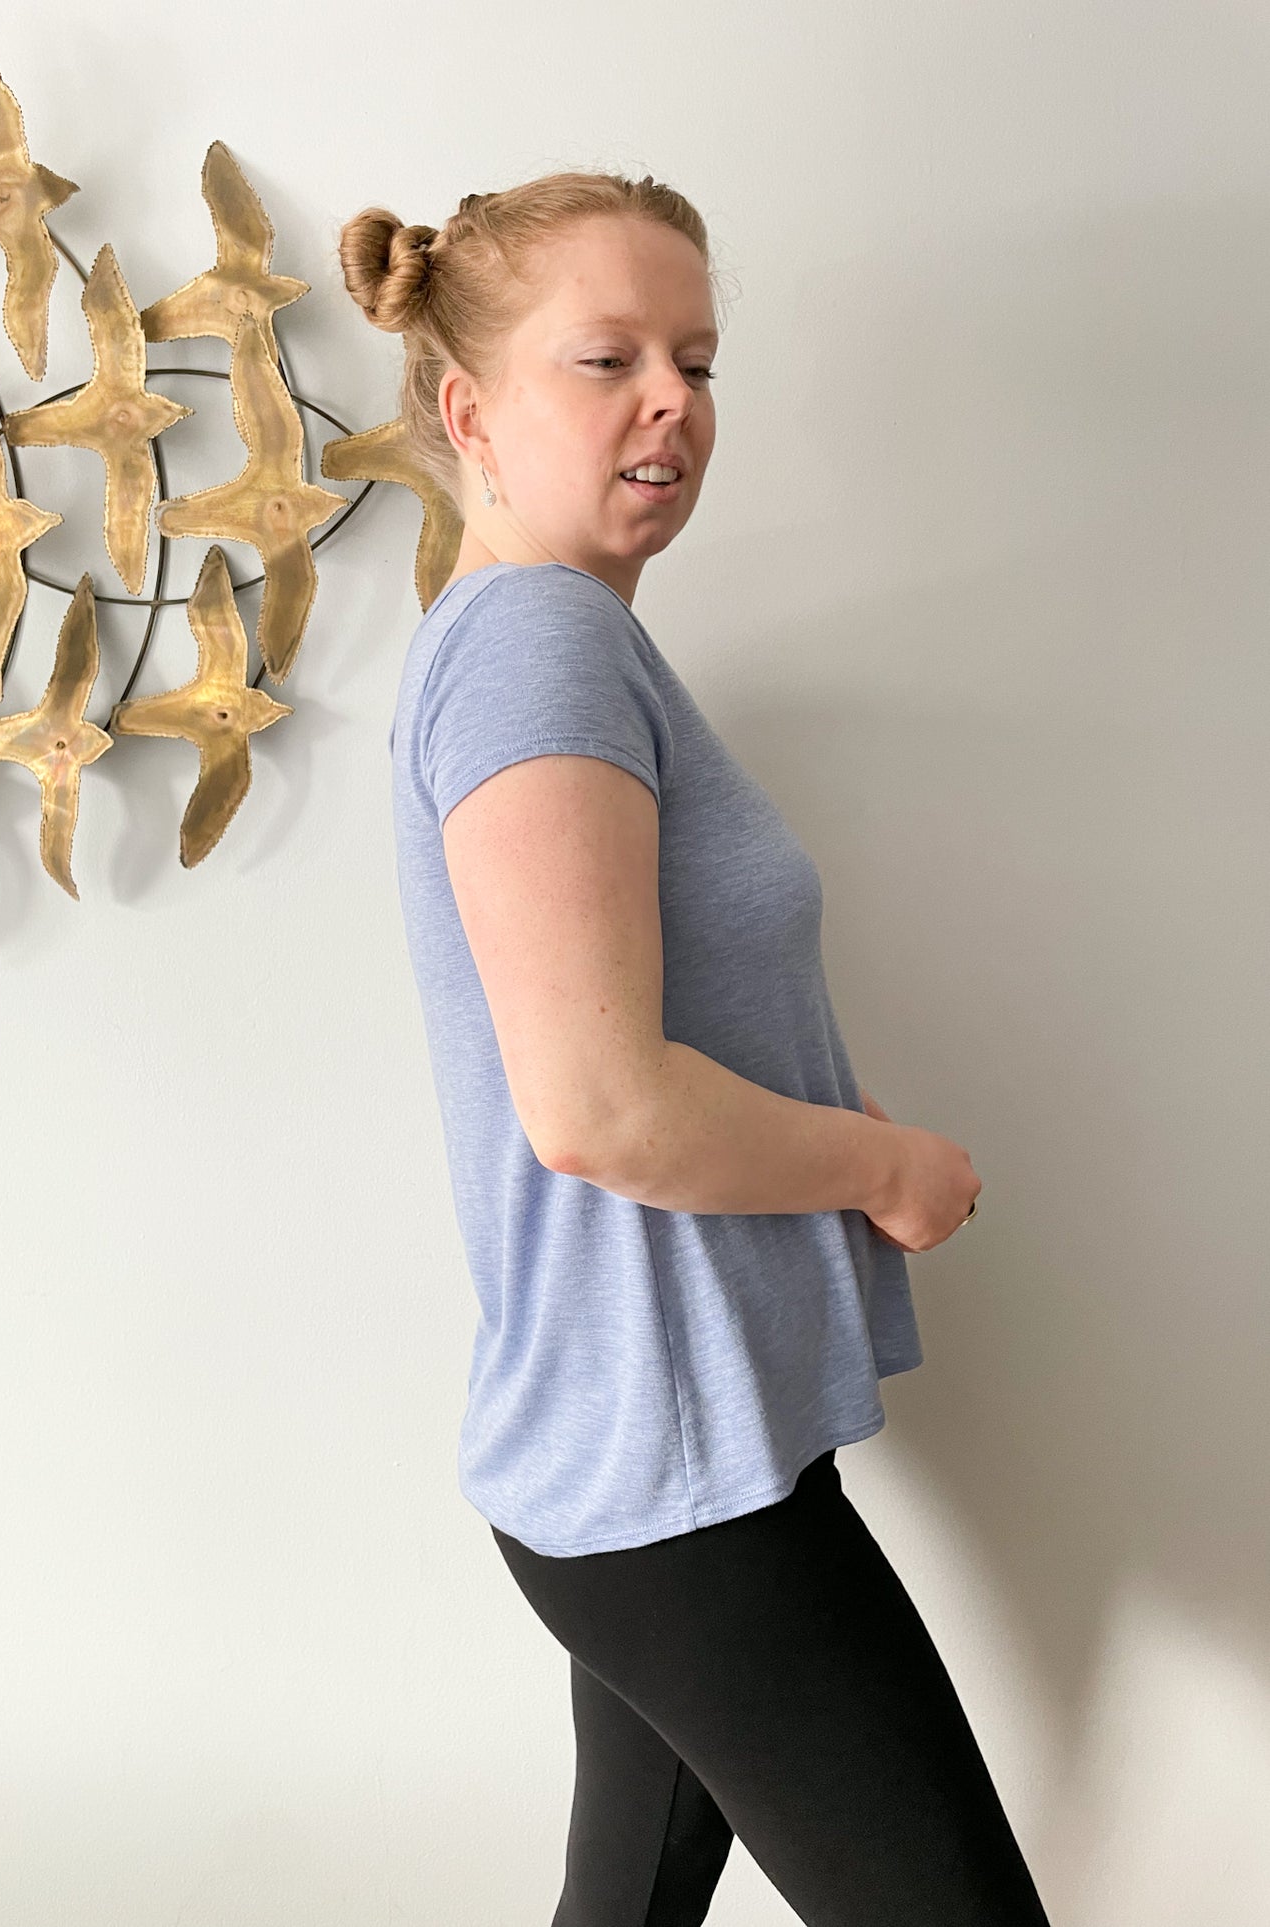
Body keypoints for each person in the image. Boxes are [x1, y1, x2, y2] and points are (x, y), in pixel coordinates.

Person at [338, 172, 1049, 1925]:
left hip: (650, 1447)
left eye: (698, 361)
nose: (672, 401)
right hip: (669, 1484)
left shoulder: (561, 642)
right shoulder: (535, 648)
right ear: (468, 414)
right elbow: (599, 1108)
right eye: (608, 360)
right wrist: (888, 1166)